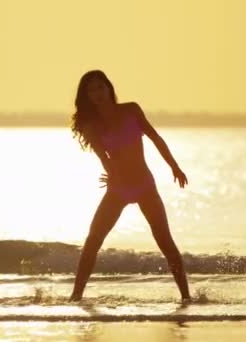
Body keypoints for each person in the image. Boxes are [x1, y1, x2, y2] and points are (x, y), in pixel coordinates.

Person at [69, 69, 191, 303]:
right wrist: (112, 175)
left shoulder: (131, 110)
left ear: (109, 87)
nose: (97, 93)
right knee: (93, 241)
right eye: (91, 90)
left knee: (165, 242)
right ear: (87, 96)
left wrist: (174, 167)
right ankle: (76, 296)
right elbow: (104, 158)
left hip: (145, 185)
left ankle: (186, 297)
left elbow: (155, 138)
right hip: (118, 189)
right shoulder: (92, 126)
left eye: (100, 87)